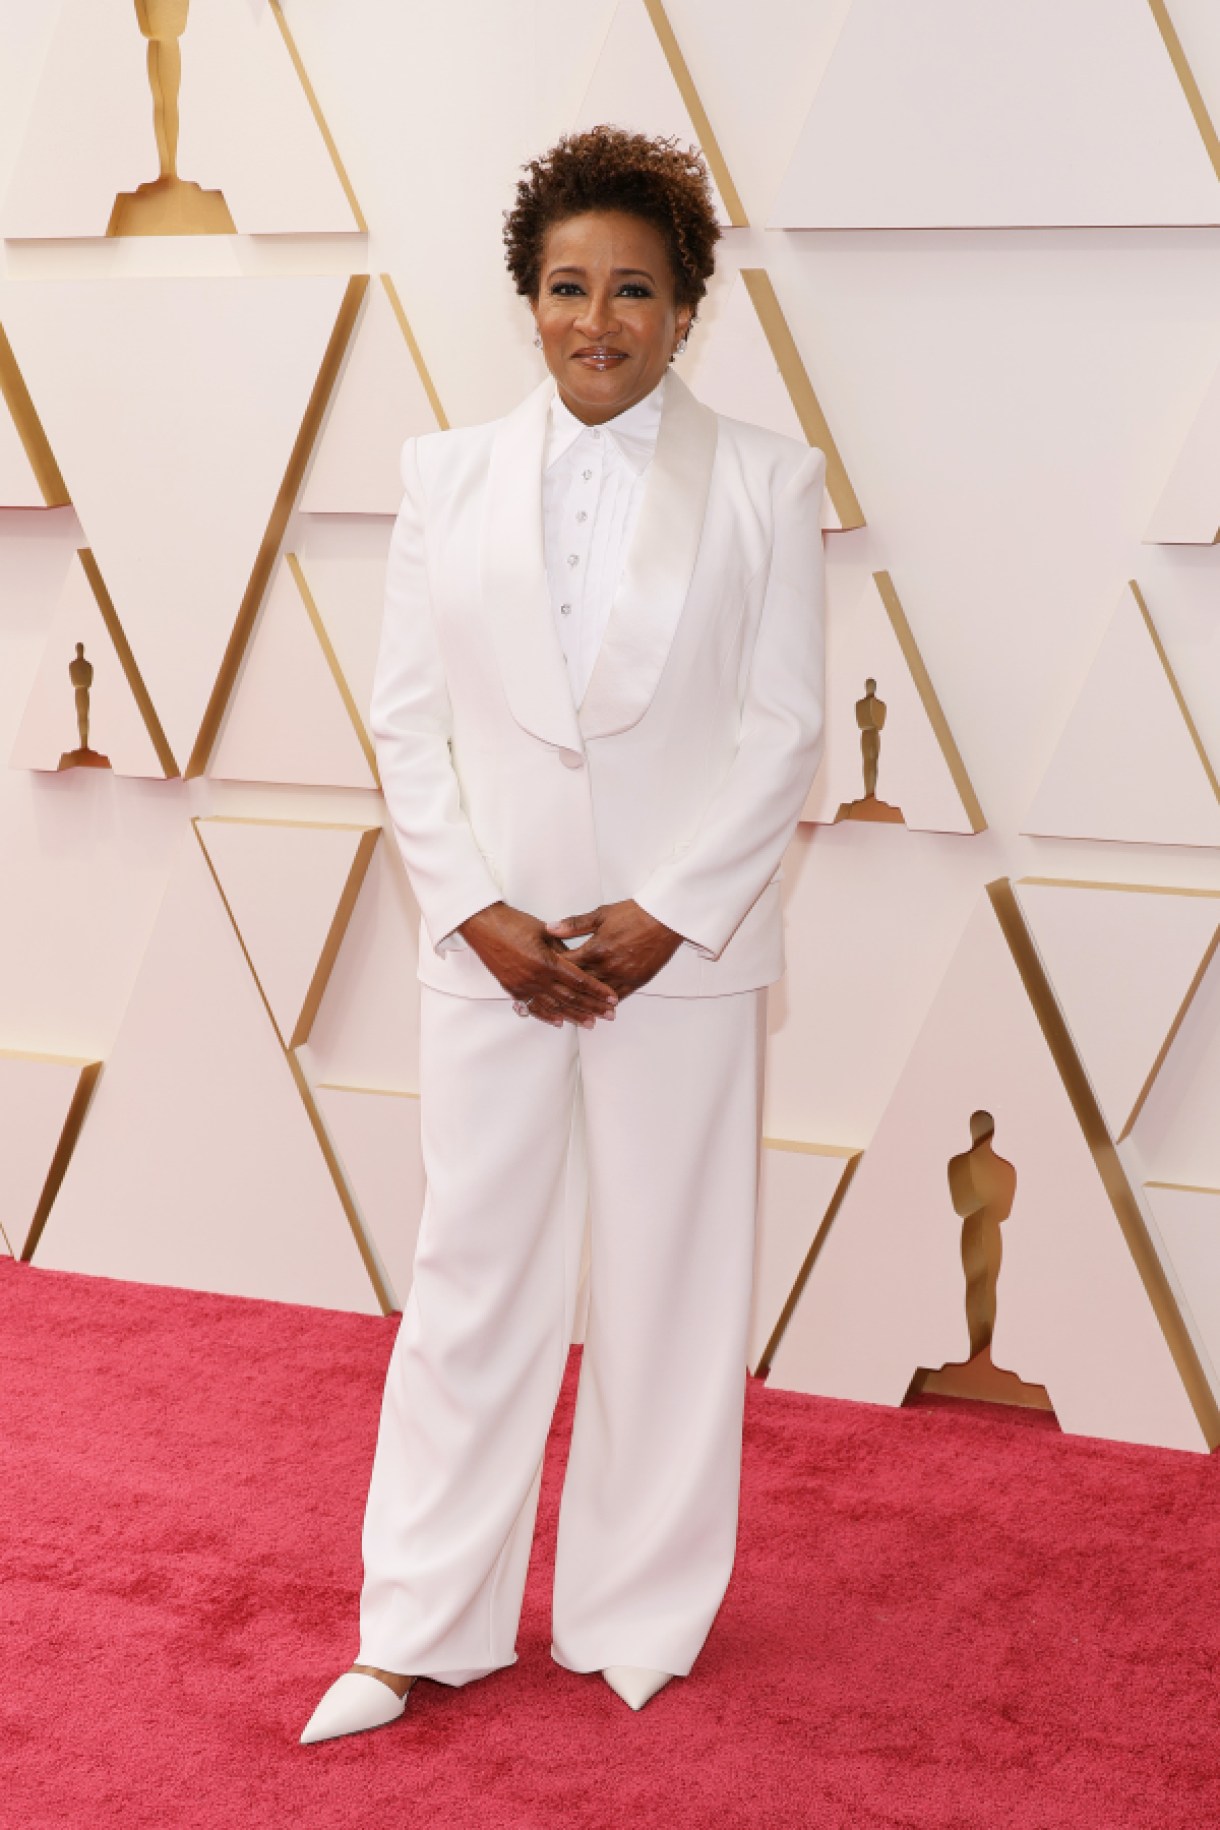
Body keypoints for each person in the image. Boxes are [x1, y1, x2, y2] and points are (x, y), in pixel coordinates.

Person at [300, 124, 827, 1745]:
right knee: (469, 1278)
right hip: (494, 958)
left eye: (635, 290)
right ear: (527, 298)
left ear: (688, 308)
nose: (598, 319)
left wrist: (669, 913)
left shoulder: (768, 478)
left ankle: (639, 1610)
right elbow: (408, 728)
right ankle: (419, 1623)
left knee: (672, 1282)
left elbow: (785, 727)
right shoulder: (441, 474)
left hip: (682, 953)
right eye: (567, 287)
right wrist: (479, 914)